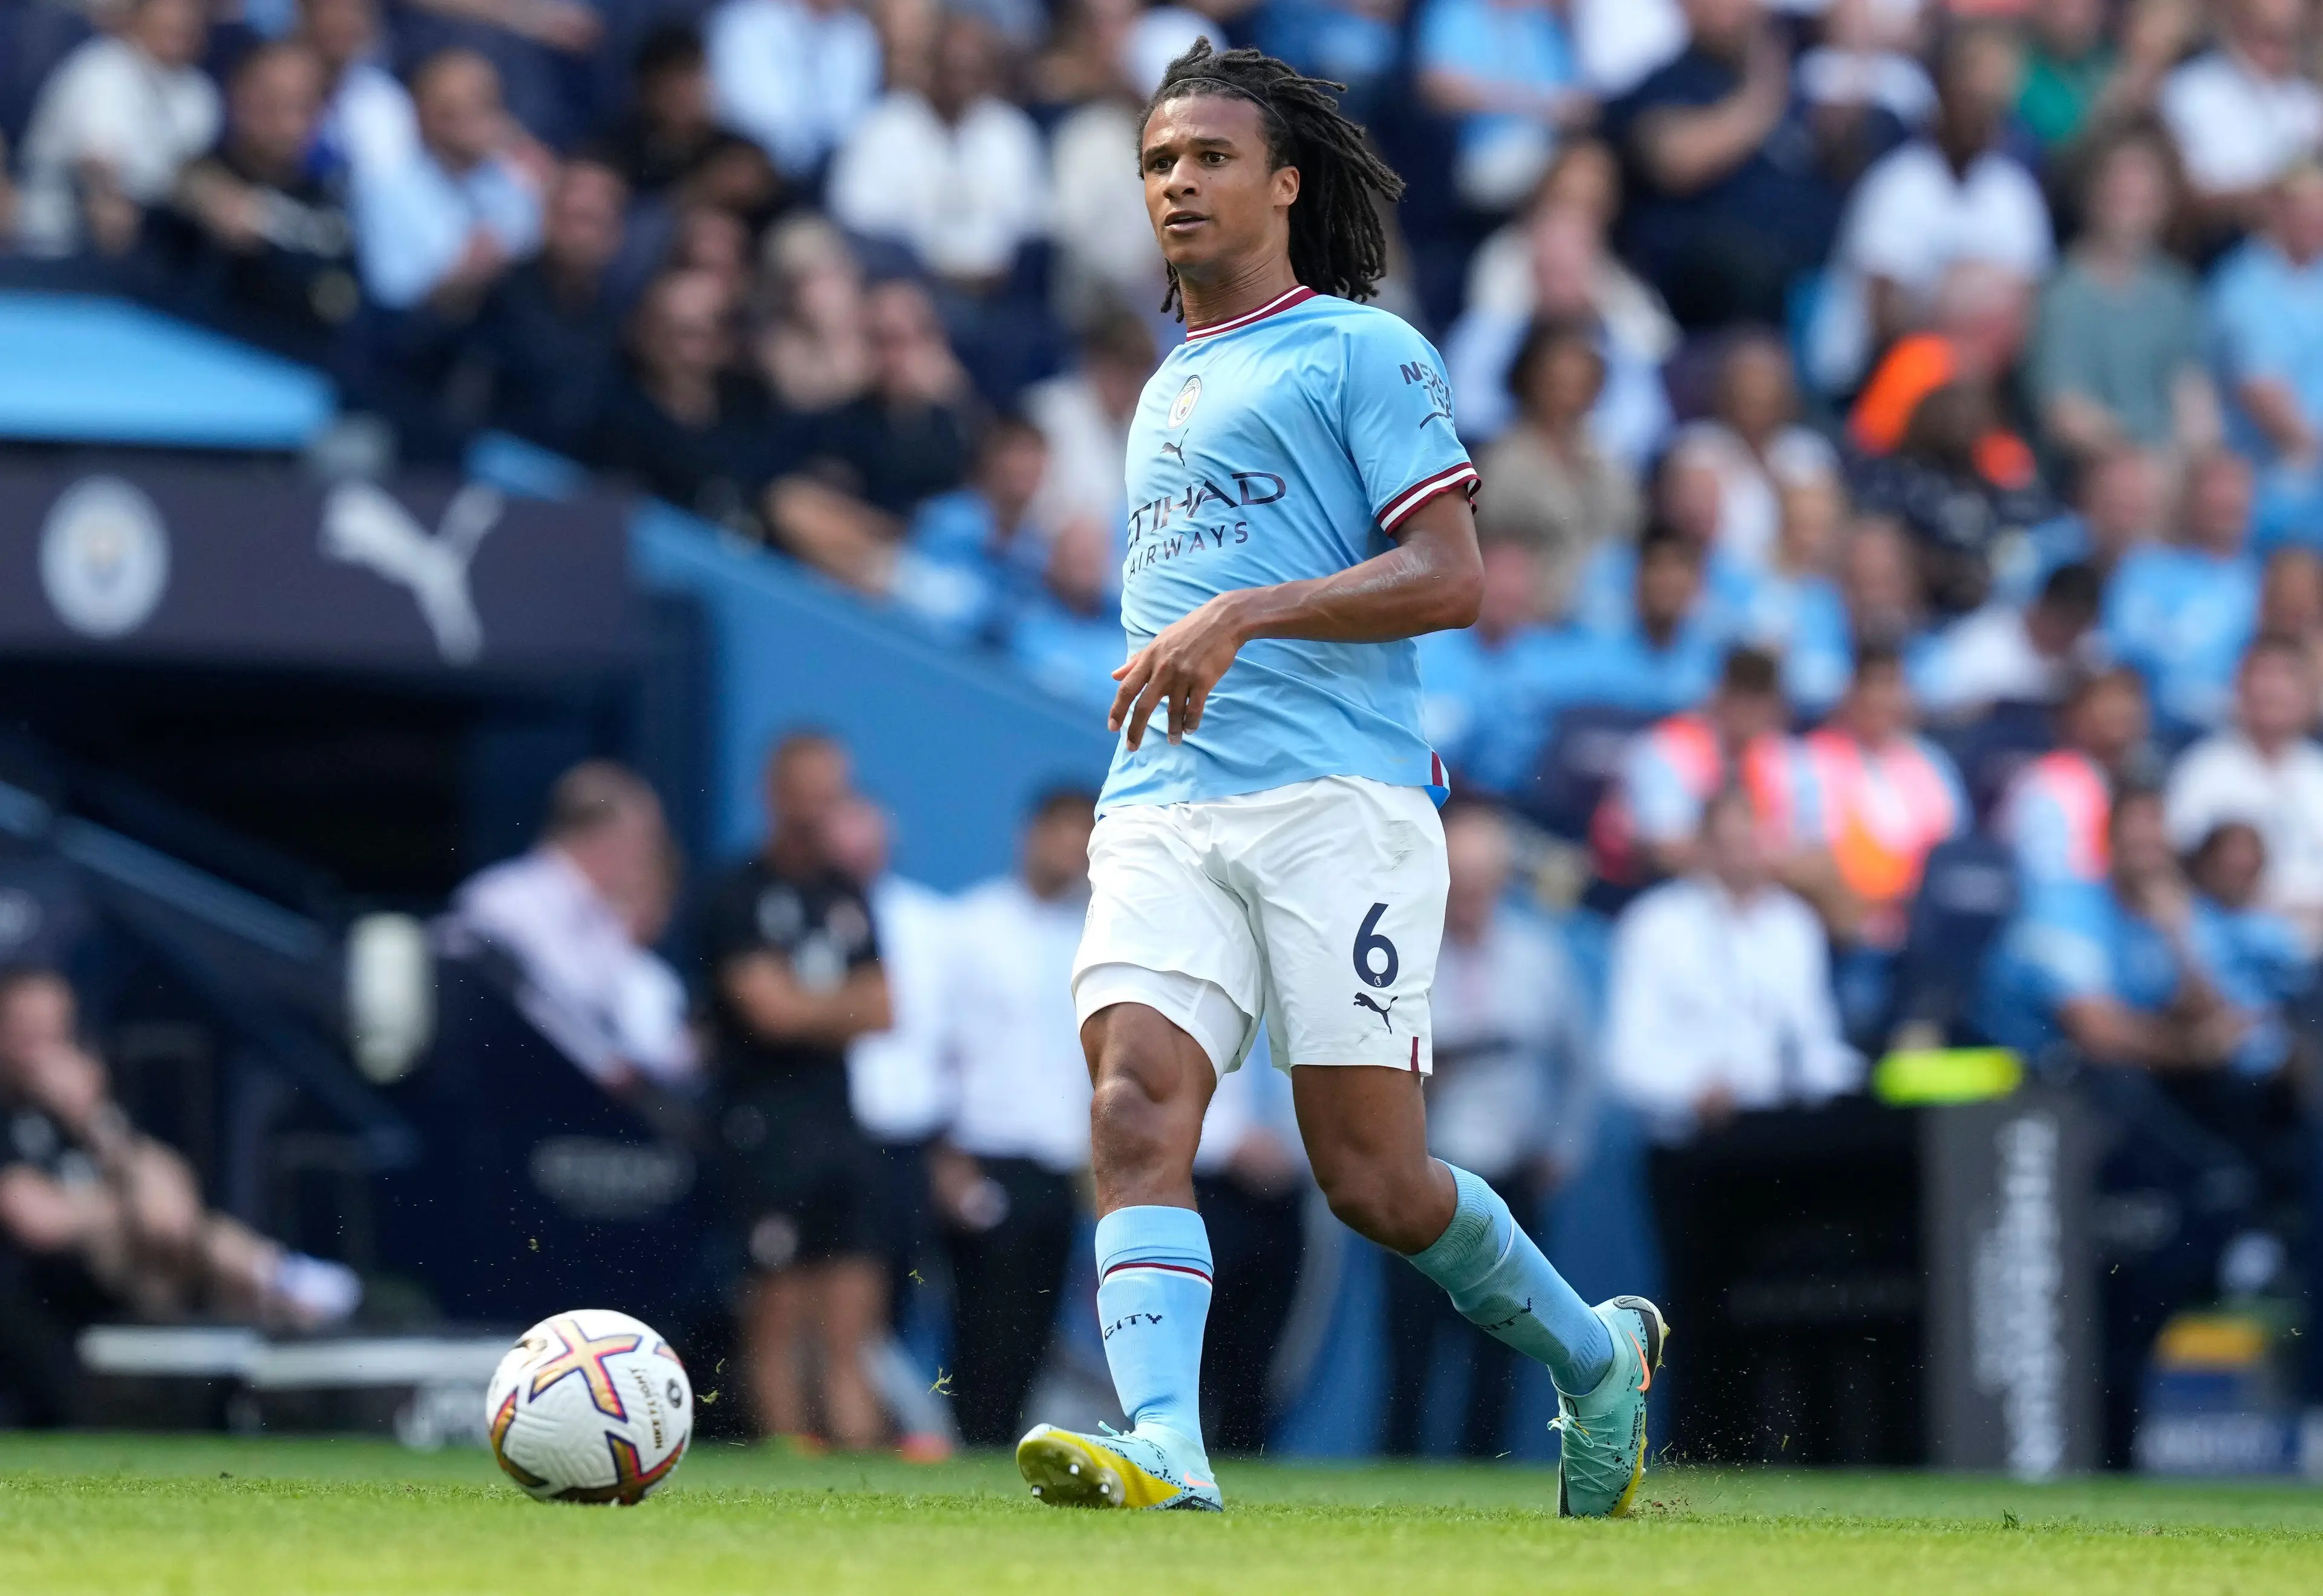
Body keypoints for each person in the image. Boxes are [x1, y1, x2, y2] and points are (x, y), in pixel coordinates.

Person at [1013, 42, 1662, 1520]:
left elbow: (1452, 575)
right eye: (1158, 161)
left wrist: (1245, 611)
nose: (1175, 182)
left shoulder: (1362, 351)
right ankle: (1168, 1442)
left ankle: (1593, 1353)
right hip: (1164, 800)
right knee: (1129, 1107)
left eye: (1209, 158)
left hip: (1337, 805)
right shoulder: (1163, 381)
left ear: (1285, 183)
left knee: (1373, 1179)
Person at [699, 732, 893, 1450]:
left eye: (832, 790)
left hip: (840, 1126)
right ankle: (789, 1455)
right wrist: (833, 1006)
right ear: (773, 793)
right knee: (777, 1308)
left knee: (852, 1313)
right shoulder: (734, 892)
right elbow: (764, 1012)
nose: (820, 807)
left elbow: (884, 1009)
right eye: (807, 789)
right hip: (762, 1127)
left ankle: (858, 1459)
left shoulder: (845, 893)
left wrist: (803, 1003)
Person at [1383, 800, 1595, 1458]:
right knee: (1410, 1345)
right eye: (1459, 879)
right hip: (1419, 1178)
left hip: (1510, 1175)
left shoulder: (1538, 955)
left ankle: (1486, 1471)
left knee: (1502, 1345)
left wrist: (1562, 1147)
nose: (1471, 895)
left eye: (1483, 880)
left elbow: (1581, 1062)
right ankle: (1400, 1473)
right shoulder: (1398, 954)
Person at [0, 970, 361, 1330]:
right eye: (30, 1034)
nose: (48, 1052)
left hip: (151, 1277)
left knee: (163, 1203)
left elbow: (172, 1194)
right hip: (50, 1305)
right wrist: (127, 1212)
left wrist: (94, 1119)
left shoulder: (79, 1117)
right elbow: (37, 1221)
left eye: (60, 1033)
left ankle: (275, 1288)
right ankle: (274, 1276)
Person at [927, 789, 1099, 1448]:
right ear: (1030, 833)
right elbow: (937, 1049)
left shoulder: (1094, 936)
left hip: (1058, 1166)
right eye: (1062, 831)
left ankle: (1000, 1459)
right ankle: (968, 1451)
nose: (1071, 848)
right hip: (984, 1155)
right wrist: (946, 1160)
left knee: (1035, 1332)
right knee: (981, 1330)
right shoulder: (967, 927)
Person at [1604, 785, 1863, 1138]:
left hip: (1783, 1131)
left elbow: (1815, 1043)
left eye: (1751, 844)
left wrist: (1860, 1084)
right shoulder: (1655, 925)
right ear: (1703, 848)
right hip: (1690, 1137)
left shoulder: (1795, 924)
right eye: (1729, 846)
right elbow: (1626, 1059)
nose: (1741, 859)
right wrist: (1692, 1088)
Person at [1814, 22, 2053, 395]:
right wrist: (1951, 304)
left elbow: (2029, 305)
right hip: (1879, 376)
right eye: (1967, 101)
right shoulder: (1898, 183)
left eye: (1987, 107)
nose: (1975, 117)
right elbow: (1884, 318)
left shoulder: (2013, 191)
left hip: (1981, 377)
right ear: (1941, 102)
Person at [445, 761, 697, 1091]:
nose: (647, 859)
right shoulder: (499, 901)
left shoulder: (605, 926)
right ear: (606, 837)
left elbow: (641, 1038)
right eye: (644, 841)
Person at [149, 41, 361, 361]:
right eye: (269, 101)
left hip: (298, 372)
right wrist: (197, 201)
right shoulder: (194, 182)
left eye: (302, 105)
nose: (286, 122)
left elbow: (337, 303)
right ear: (237, 97)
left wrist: (261, 233)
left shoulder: (332, 202)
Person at [1798, 645, 1969, 1034]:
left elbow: (1956, 854)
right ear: (1850, 694)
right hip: (1850, 938)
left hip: (1925, 934)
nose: (1883, 699)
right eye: (1872, 686)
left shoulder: (1931, 762)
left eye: (1892, 686)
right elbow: (1812, 857)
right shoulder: (1813, 759)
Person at [826, 13, 1050, 293]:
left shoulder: (1011, 133)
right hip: (909, 288)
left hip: (998, 292)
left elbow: (1031, 225)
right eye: (952, 69)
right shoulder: (882, 128)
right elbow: (859, 219)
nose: (961, 82)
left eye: (973, 71)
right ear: (929, 67)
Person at [2029, 130, 2217, 464]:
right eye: (2120, 193)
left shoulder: (2174, 291)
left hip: (2167, 477)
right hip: (2091, 486)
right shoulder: (2062, 295)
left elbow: (2192, 398)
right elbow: (2065, 415)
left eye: (2144, 196)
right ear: (2092, 195)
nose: (2131, 207)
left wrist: (2191, 461)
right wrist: (2140, 461)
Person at [1589, 644, 1810, 890]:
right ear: (1718, 692)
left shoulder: (1786, 758)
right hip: (1654, 892)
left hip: (1755, 901)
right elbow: (1668, 852)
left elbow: (1814, 855)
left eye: (1761, 695)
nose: (1749, 706)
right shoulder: (1667, 747)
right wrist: (1756, 859)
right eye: (1739, 691)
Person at [15, 0, 220, 257]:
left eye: (186, 29)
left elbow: (187, 170)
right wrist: (110, 203)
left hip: (154, 230)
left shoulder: (199, 92)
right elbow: (96, 167)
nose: (176, 37)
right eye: (166, 27)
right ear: (135, 21)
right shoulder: (101, 68)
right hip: (61, 230)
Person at [350, 48, 542, 314]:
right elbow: (388, 298)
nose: (488, 121)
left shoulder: (510, 184)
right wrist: (462, 278)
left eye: (491, 104)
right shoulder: (388, 187)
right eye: (470, 108)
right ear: (428, 115)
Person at [1473, 317, 1643, 618]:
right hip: (1528, 624)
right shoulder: (1501, 465)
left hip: (1610, 624)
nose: (1569, 393)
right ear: (1529, 380)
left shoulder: (1611, 462)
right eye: (1556, 381)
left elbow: (1630, 530)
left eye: (1581, 382)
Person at [2165, 635, 2323, 952]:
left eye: (2287, 675)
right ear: (2239, 687)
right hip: (2232, 943)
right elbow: (2182, 875)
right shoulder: (2202, 772)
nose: (2272, 688)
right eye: (2262, 674)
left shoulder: (2317, 773)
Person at [468, 157, 630, 456]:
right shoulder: (496, 292)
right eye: (570, 218)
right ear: (545, 219)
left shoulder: (626, 318)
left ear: (616, 234)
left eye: (592, 221)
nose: (579, 236)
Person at [2103, 448, 2261, 734]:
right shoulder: (2143, 569)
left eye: (2234, 493)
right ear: (2190, 499)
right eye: (2213, 492)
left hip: (2228, 739)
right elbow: (2121, 652)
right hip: (2140, 732)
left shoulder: (2260, 583)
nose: (2224, 502)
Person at [2159, 0, 2323, 228]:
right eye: (2268, 34)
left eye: (2291, 36)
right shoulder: (2191, 89)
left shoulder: (2308, 101)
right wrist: (2270, 196)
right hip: (2212, 238)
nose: (2279, 49)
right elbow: (2183, 194)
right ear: (2238, 25)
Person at [1996, 665, 2151, 888]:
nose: (2123, 710)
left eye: (2130, 699)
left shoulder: (2144, 780)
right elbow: (2046, 881)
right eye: (2108, 700)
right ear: (2073, 714)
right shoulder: (2048, 784)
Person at [707, 0, 884, 183]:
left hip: (836, 172)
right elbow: (749, 116)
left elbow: (855, 116)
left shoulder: (857, 33)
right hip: (759, 167)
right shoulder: (744, 22)